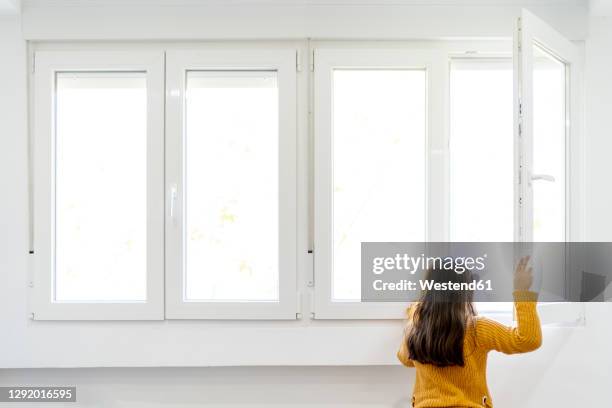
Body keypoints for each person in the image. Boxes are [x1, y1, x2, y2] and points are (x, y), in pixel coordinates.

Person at [397, 256, 541, 407]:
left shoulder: (417, 327)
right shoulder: (477, 329)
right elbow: (528, 339)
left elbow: (405, 359)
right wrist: (522, 291)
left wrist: (416, 313)